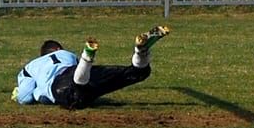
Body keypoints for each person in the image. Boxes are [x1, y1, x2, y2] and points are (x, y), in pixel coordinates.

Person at [11, 25, 170, 109]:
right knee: (138, 73)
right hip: (81, 73)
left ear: (43, 55)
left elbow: (25, 97)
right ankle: (140, 51)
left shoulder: (31, 66)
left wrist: (18, 93)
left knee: (77, 96)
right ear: (59, 49)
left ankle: (87, 57)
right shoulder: (67, 55)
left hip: (61, 84)